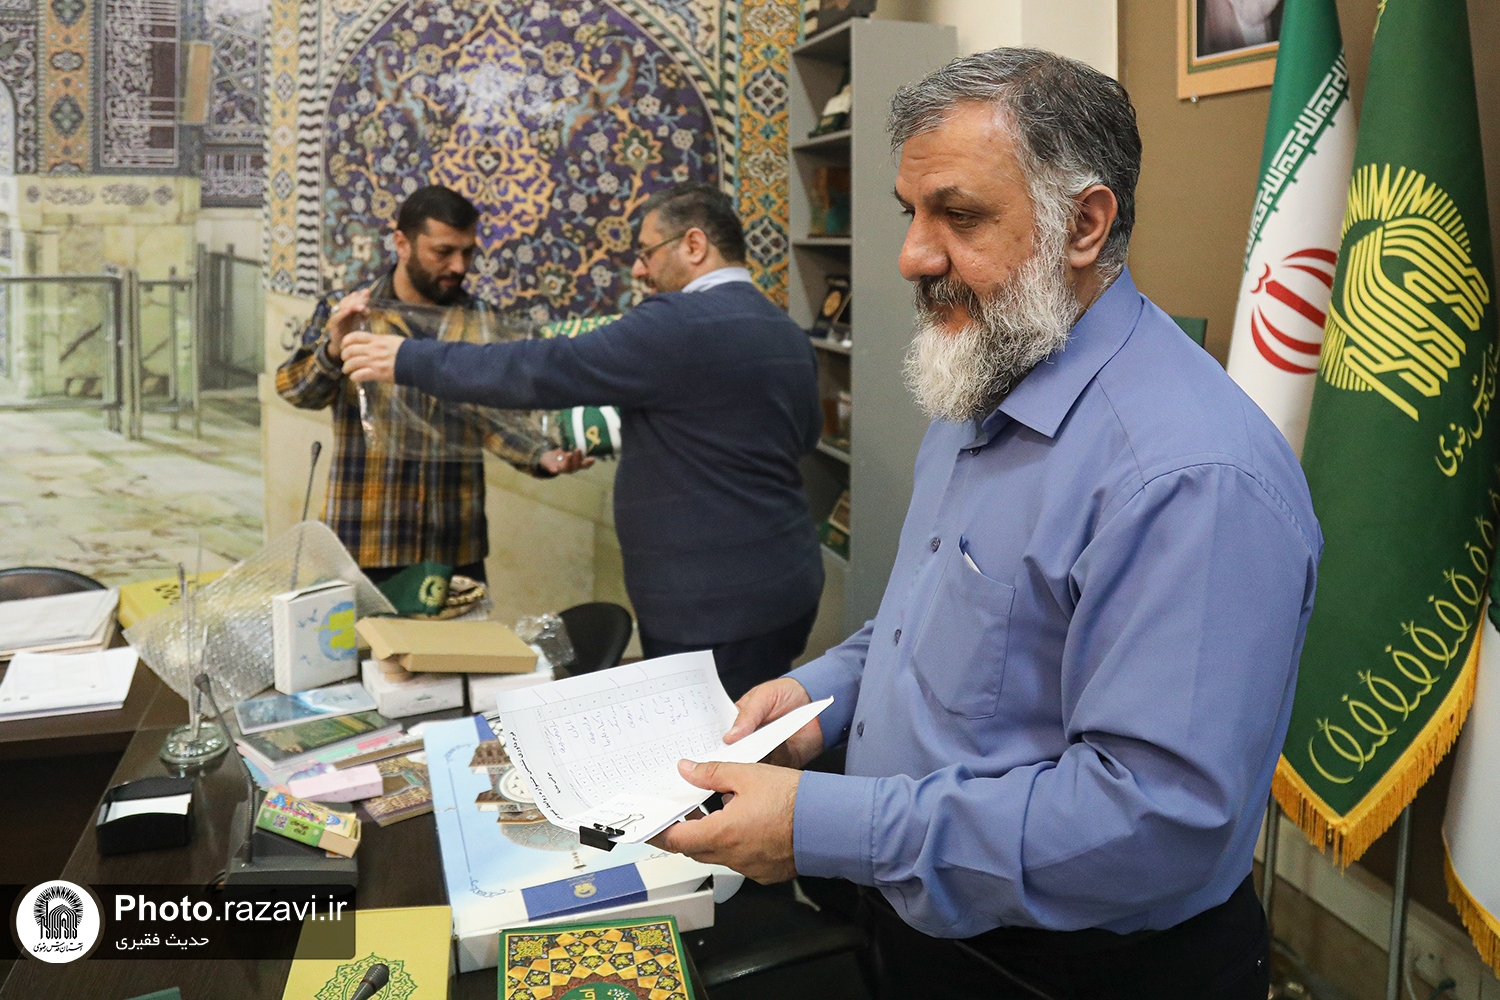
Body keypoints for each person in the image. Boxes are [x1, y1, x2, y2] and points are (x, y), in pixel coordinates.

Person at [639, 49, 1322, 999]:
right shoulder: (988, 374)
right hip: (925, 929)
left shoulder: (1189, 477)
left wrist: (818, 825)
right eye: (909, 214)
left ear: (1084, 224)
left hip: (1078, 972)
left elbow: (1153, 824)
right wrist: (810, 701)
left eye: (958, 216)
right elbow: (925, 628)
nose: (913, 257)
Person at [340, 183, 825, 698]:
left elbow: (546, 368)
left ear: (694, 245)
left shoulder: (678, 322)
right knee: (759, 721)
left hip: (711, 606)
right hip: (787, 583)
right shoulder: (785, 331)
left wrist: (409, 358)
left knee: (716, 738)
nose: (640, 270)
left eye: (647, 252)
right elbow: (803, 436)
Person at [276, 185, 589, 585]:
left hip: (453, 544)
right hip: (364, 537)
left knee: (459, 632)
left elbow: (491, 417)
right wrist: (335, 349)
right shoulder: (350, 310)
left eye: (467, 252)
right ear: (402, 244)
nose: (458, 266)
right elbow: (295, 391)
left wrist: (541, 455)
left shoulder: (481, 322)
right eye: (443, 252)